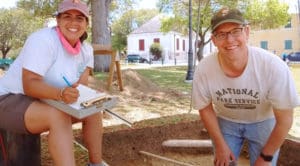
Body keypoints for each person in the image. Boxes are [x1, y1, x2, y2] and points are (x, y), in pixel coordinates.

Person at [0, 0, 106, 166]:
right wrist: (61, 94)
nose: (73, 22)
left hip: (44, 100)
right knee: (57, 116)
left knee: (93, 110)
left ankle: (96, 164)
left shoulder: (87, 50)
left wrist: (92, 97)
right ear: (58, 20)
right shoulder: (43, 40)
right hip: (9, 98)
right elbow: (29, 84)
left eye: (79, 18)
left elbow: (80, 86)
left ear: (86, 23)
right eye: (67, 16)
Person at [192, 7, 299, 166]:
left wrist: (266, 158)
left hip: (263, 121)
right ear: (214, 40)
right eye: (222, 34)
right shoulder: (204, 69)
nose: (229, 40)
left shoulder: (273, 66)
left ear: (247, 32)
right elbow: (204, 107)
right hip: (226, 121)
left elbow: (285, 119)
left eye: (236, 31)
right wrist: (220, 145)